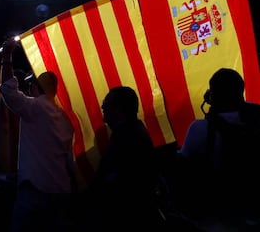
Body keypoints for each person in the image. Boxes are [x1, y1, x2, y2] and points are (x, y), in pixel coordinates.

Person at [0, 37, 75, 232]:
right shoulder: (65, 116)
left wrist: (7, 55)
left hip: (35, 190)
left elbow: (8, 91)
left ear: (35, 87)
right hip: (61, 190)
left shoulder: (36, 107)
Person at [177, 67, 260, 231]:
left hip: (223, 215)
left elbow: (184, 165)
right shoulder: (255, 119)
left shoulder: (200, 129)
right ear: (241, 92)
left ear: (212, 95)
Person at [78, 86, 160, 231]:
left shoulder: (128, 139)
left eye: (107, 103)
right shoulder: (128, 133)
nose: (102, 106)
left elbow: (114, 185)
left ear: (119, 110)